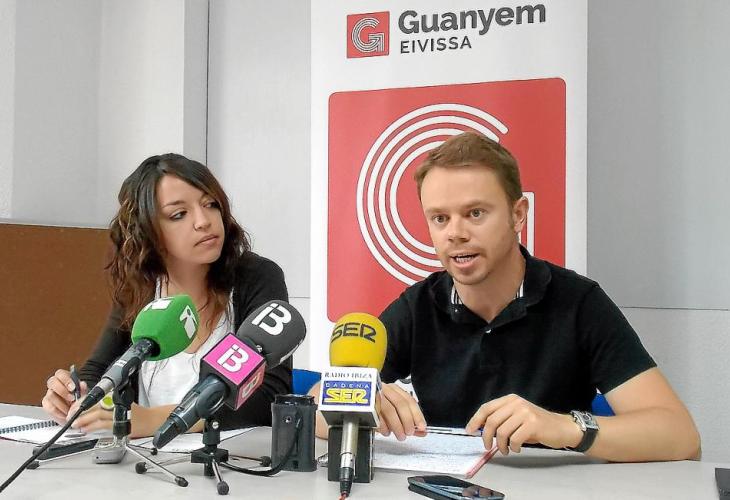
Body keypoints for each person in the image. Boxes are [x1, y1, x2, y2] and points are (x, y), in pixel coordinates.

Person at [314, 131, 700, 463]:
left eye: (475, 213)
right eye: (440, 218)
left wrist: (564, 428)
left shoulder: (579, 302)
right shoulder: (418, 306)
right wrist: (359, 399)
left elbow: (680, 436)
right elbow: (314, 408)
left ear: (518, 215)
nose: (455, 233)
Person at [41, 153, 291, 438]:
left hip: (235, 458)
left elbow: (268, 396)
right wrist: (75, 396)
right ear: (149, 231)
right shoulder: (141, 287)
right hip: (151, 459)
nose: (203, 221)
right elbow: (99, 370)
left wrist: (156, 420)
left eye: (210, 204)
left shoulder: (257, 277)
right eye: (179, 214)